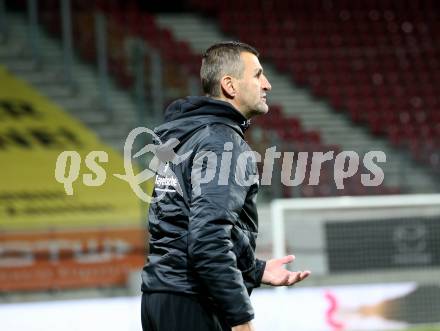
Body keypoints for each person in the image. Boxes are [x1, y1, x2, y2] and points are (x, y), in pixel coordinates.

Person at [141, 41, 311, 331]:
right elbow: (207, 238)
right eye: (257, 75)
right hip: (194, 301)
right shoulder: (221, 142)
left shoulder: (187, 135)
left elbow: (183, 223)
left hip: (161, 297)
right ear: (230, 85)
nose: (267, 84)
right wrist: (240, 317)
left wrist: (254, 269)